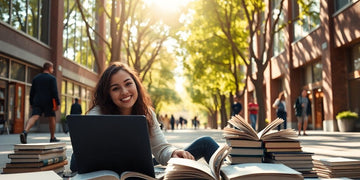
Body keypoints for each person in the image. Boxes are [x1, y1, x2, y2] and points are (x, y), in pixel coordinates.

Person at [70, 62, 219, 171]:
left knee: (206, 142)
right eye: (115, 88)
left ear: (136, 85)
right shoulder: (98, 113)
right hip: (107, 170)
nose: (124, 92)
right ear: (107, 94)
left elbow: (161, 149)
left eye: (128, 84)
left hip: (138, 167)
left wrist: (173, 153)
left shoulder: (147, 113)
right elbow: (87, 154)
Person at [20, 62, 60, 144]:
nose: (53, 70)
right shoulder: (52, 78)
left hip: (37, 101)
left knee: (34, 116)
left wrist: (31, 102)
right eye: (52, 68)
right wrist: (57, 103)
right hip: (48, 101)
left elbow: (32, 92)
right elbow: (54, 92)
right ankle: (52, 137)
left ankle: (25, 131)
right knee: (51, 118)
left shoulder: (36, 78)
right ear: (49, 68)